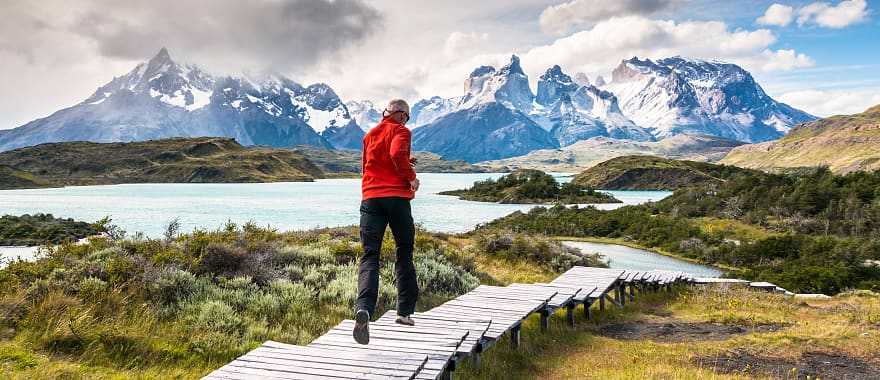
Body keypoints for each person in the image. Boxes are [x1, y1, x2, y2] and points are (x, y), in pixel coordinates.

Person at [352, 99, 420, 345]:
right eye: (407, 117)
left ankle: (365, 309)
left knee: (370, 255)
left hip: (371, 198)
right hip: (397, 200)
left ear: (386, 113)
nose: (406, 121)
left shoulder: (370, 134)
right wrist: (411, 177)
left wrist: (403, 165)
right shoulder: (401, 131)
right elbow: (395, 154)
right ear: (401, 115)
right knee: (404, 252)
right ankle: (404, 313)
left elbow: (368, 167)